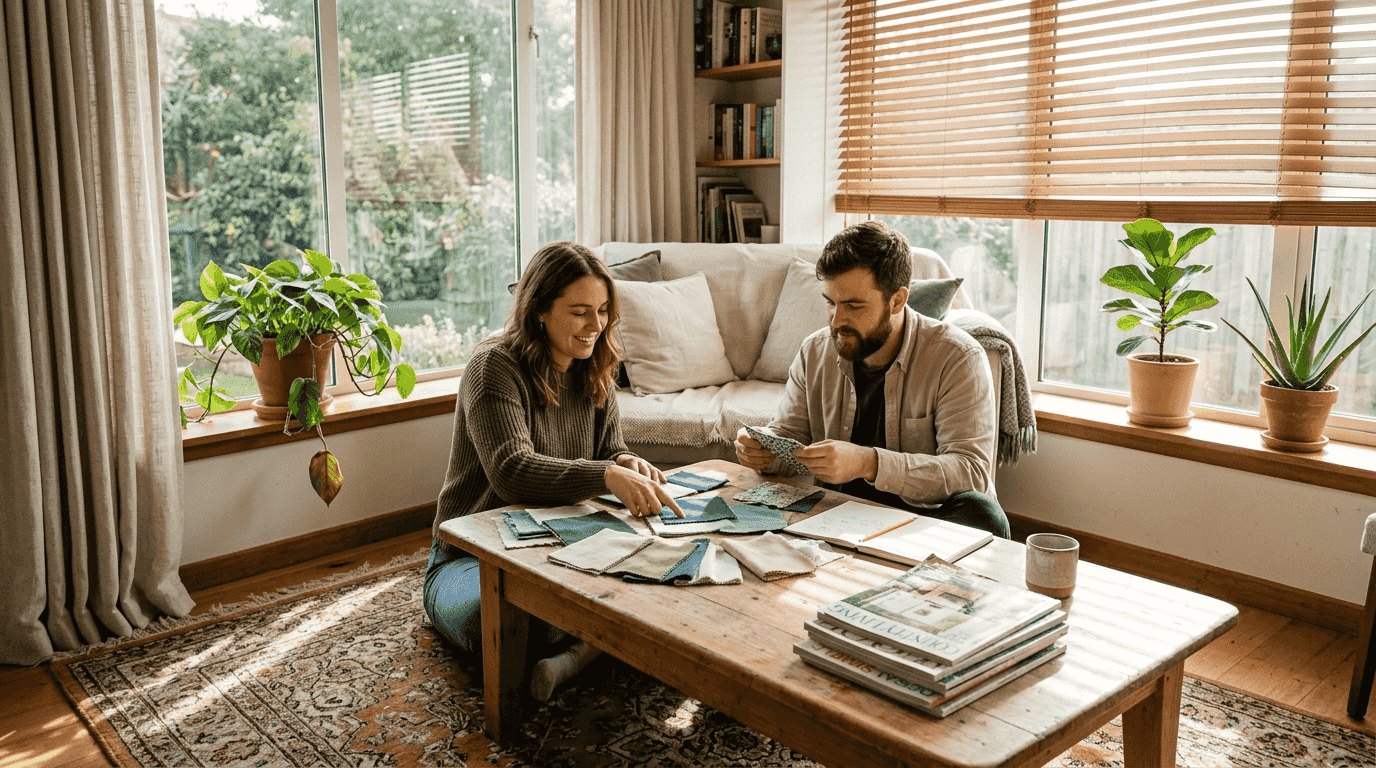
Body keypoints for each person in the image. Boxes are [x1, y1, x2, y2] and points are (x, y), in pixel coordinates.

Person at [427, 241, 683, 702]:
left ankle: (579, 653)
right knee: (508, 624)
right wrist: (606, 474)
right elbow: (512, 471)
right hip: (473, 559)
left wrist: (625, 461)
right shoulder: (494, 367)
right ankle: (591, 647)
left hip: (561, 542)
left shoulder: (597, 363)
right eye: (580, 311)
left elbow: (611, 449)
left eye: (603, 310)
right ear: (539, 310)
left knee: (668, 577)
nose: (596, 325)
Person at [733, 221, 1009, 539]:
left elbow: (971, 474)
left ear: (896, 301)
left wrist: (869, 463)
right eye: (830, 302)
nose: (837, 320)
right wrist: (764, 448)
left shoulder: (957, 357)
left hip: (924, 522)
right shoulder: (814, 351)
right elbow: (791, 436)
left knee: (984, 515)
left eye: (853, 305)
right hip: (840, 513)